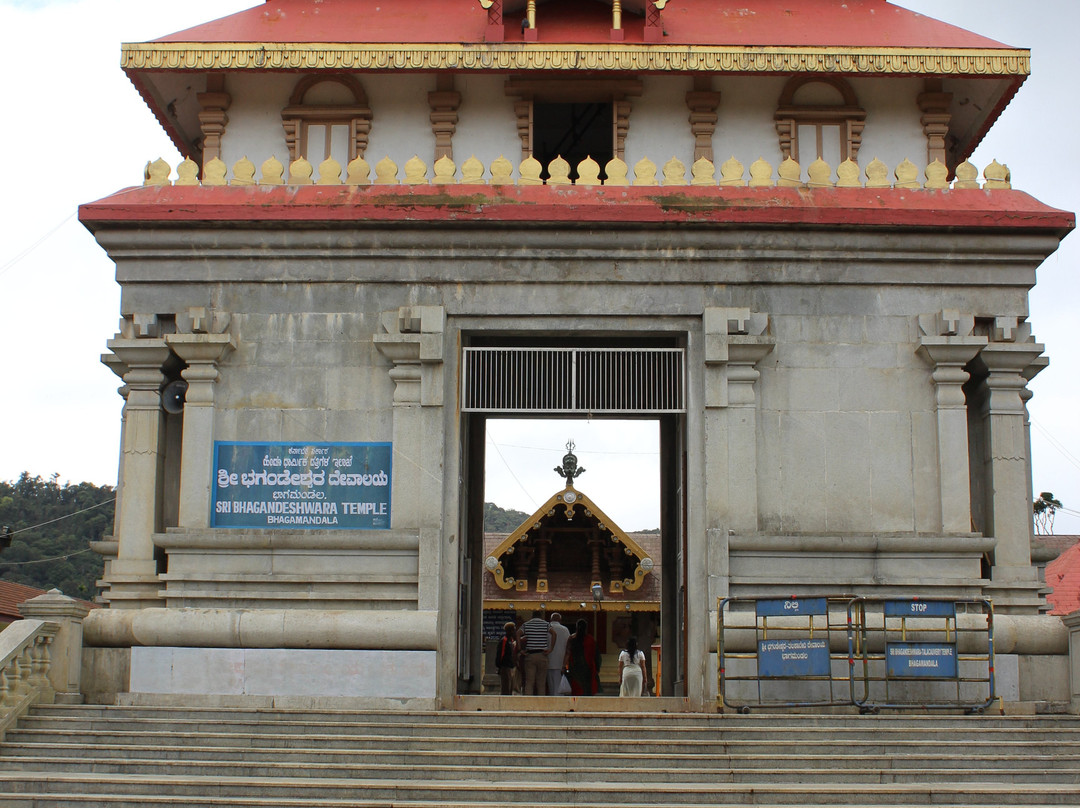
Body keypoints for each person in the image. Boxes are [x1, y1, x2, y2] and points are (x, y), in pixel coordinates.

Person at [519, 609, 555, 695]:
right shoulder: (546, 624)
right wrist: (551, 649)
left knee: (529, 682)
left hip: (530, 655)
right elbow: (554, 634)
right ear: (541, 616)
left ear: (532, 616)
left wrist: (520, 649)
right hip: (542, 655)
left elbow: (518, 633)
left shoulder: (526, 624)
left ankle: (528, 703)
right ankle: (541, 703)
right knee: (541, 683)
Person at [566, 618, 600, 696]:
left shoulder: (571, 639)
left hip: (574, 668)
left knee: (576, 689)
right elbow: (595, 655)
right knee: (586, 689)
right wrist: (596, 668)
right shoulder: (590, 640)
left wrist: (564, 666)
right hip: (587, 668)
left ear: (576, 627)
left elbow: (568, 653)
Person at [546, 612, 571, 696]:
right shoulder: (564, 630)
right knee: (559, 687)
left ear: (550, 619)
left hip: (548, 660)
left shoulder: (546, 628)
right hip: (560, 661)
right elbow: (568, 645)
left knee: (551, 687)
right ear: (560, 620)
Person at [495, 621, 518, 696]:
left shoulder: (511, 641)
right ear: (509, 630)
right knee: (505, 687)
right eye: (514, 630)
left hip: (510, 666)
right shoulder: (504, 641)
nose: (515, 631)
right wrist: (499, 666)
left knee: (510, 687)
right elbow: (500, 654)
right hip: (505, 666)